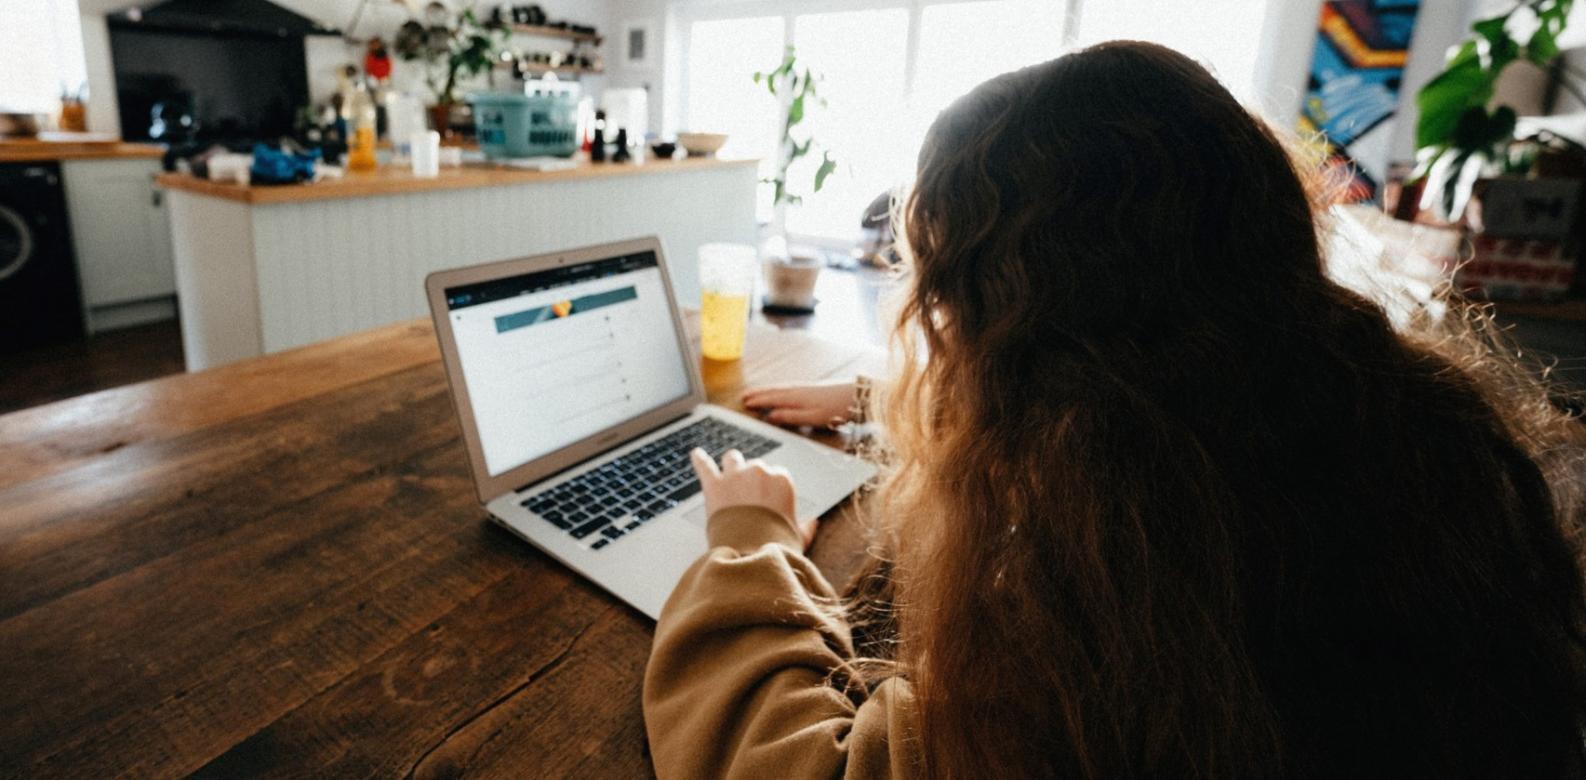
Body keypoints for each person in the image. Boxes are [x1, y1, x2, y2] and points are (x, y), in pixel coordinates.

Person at [642, 42, 1586, 779]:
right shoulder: (1401, 435)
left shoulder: (1126, 599)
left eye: (955, 303)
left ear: (1015, 336)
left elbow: (807, 768)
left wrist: (748, 545)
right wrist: (882, 401)